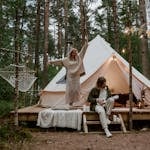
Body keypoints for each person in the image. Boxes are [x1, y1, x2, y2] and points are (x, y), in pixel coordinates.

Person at [48, 39, 88, 106]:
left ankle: (74, 102)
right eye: (73, 52)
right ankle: (70, 103)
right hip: (70, 76)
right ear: (71, 53)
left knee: (76, 90)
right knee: (70, 90)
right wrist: (51, 62)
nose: (75, 53)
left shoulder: (78, 58)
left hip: (76, 76)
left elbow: (83, 51)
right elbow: (59, 61)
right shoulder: (66, 60)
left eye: (76, 52)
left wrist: (86, 43)